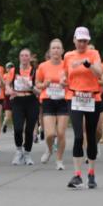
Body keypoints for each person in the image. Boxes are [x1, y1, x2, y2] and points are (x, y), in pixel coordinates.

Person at [63, 27, 103, 189]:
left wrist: (89, 65)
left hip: (92, 98)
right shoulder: (68, 56)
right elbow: (65, 75)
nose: (82, 43)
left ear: (88, 41)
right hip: (74, 97)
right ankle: (77, 175)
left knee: (91, 135)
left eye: (85, 41)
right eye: (79, 40)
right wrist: (62, 80)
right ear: (74, 40)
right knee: (79, 136)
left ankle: (92, 173)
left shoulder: (93, 54)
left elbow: (100, 73)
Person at [36, 39, 70, 171]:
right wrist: (44, 85)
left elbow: (73, 82)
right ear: (49, 51)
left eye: (58, 48)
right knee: (50, 134)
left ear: (62, 51)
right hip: (48, 100)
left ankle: (59, 160)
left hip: (63, 100)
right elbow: (37, 83)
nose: (56, 50)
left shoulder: (67, 66)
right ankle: (49, 149)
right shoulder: (43, 66)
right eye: (53, 48)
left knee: (61, 133)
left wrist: (65, 84)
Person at [6, 49, 39, 165]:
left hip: (31, 101)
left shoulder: (35, 71)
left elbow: (39, 91)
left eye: (26, 56)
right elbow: (7, 86)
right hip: (18, 101)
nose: (24, 58)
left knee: (29, 130)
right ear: (19, 57)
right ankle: (19, 151)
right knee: (18, 128)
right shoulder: (13, 71)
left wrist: (32, 87)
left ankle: (27, 154)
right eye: (22, 55)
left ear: (30, 58)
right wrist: (10, 91)